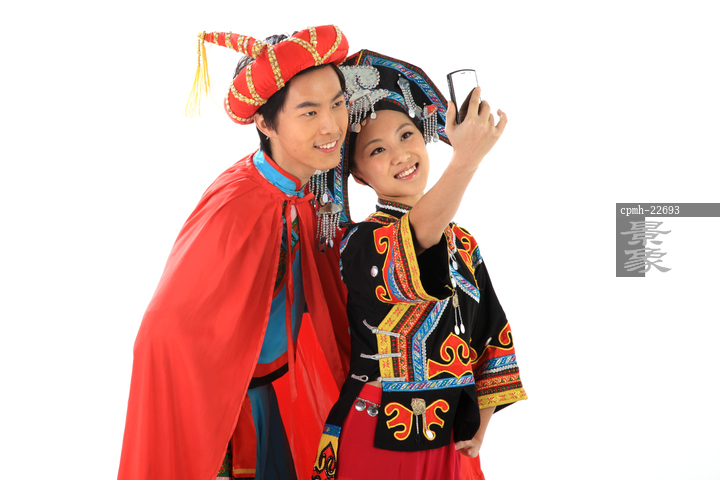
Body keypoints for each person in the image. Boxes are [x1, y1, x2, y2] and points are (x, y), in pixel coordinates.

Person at [117, 25, 354, 480]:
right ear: (265, 122)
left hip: (276, 392)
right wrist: (211, 397)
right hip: (226, 406)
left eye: (338, 104)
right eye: (309, 112)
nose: (331, 126)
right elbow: (163, 329)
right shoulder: (240, 201)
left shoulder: (305, 190)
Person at [312, 51, 528, 480]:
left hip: (453, 439)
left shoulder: (463, 243)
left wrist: (479, 430)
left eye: (407, 135)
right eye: (377, 149)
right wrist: (465, 160)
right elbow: (416, 238)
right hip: (377, 433)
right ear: (358, 173)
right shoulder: (359, 244)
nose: (400, 154)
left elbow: (493, 335)